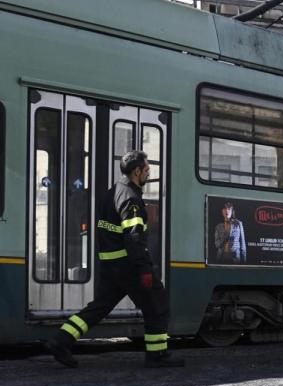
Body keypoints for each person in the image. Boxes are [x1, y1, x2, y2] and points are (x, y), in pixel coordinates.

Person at [44, 151, 183, 368]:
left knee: (99, 307)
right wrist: (144, 270)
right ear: (137, 171)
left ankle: (61, 340)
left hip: (110, 265)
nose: (149, 173)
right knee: (157, 304)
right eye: (147, 169)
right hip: (129, 266)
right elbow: (134, 237)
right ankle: (157, 355)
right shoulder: (131, 198)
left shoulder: (111, 193)